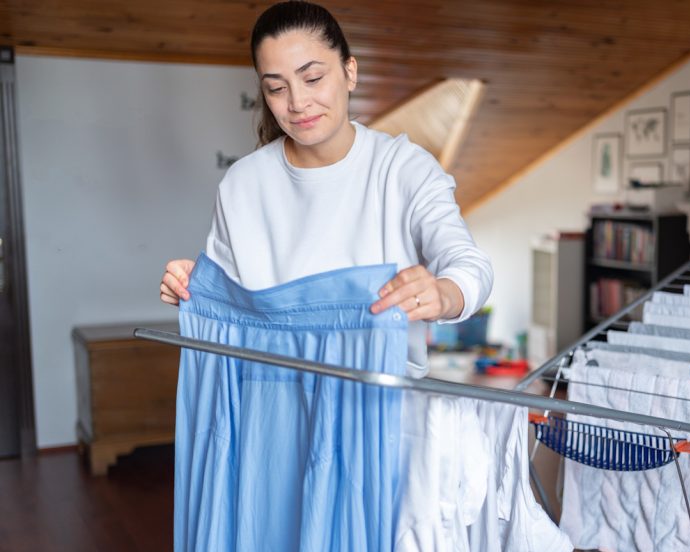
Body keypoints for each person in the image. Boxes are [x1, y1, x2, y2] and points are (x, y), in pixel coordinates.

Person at [158, 0, 493, 376]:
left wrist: (444, 293)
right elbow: (230, 310)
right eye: (276, 88)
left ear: (350, 72)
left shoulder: (403, 169)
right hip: (273, 401)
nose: (298, 102)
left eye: (313, 78)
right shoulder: (243, 182)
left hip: (378, 411)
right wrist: (195, 287)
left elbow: (470, 266)